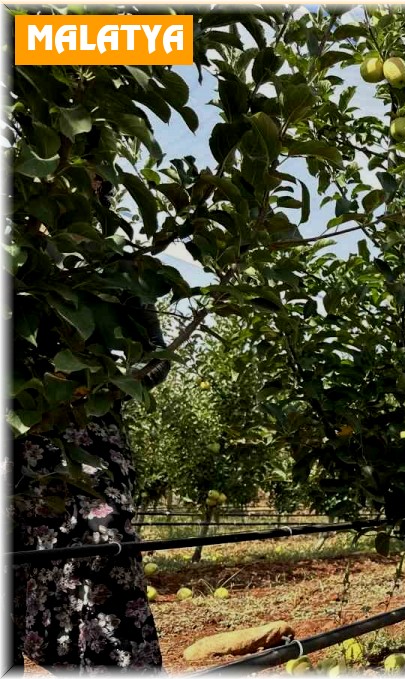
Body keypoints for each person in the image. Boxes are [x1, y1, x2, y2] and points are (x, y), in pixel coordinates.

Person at [10, 178, 172, 672]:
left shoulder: (122, 268)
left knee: (108, 545)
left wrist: (107, 385)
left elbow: (158, 357)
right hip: (24, 439)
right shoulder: (18, 257)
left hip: (92, 435)